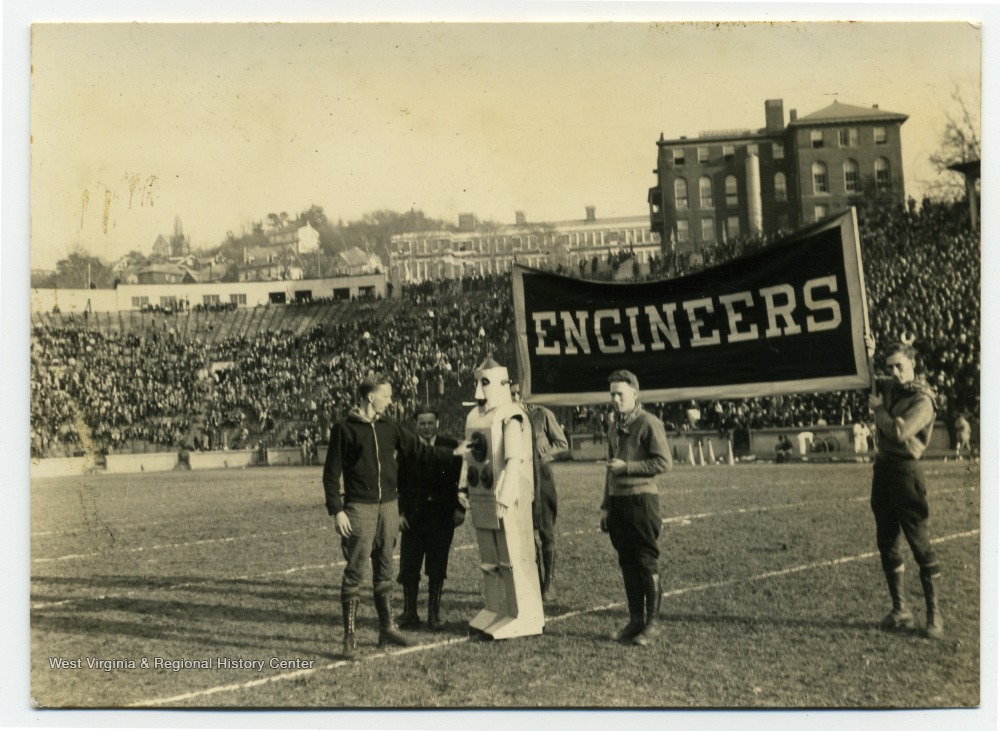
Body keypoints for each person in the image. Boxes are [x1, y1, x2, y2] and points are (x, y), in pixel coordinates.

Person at [323, 373, 459, 658]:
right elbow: (330, 474)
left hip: (389, 507)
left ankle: (387, 628)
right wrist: (337, 510)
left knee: (385, 569)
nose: (390, 399)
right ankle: (350, 640)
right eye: (386, 395)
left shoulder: (390, 427)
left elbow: (420, 450)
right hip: (360, 508)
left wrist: (456, 453)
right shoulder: (344, 429)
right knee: (355, 572)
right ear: (371, 397)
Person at [867, 337, 943, 639]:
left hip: (906, 473)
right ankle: (901, 611)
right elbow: (869, 383)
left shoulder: (923, 399)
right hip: (883, 470)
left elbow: (899, 431)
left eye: (900, 366)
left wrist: (878, 412)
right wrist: (869, 355)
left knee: (919, 543)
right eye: (890, 367)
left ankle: (934, 614)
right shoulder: (892, 387)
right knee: (886, 541)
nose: (895, 372)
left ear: (913, 363)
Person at [599, 369, 672, 646]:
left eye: (621, 394)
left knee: (645, 560)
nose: (616, 399)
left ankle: (653, 625)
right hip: (618, 503)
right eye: (612, 394)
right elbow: (609, 470)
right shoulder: (613, 425)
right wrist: (605, 506)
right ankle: (635, 621)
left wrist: (627, 467)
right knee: (627, 561)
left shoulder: (649, 423)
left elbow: (663, 463)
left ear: (634, 394)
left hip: (642, 501)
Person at [395, 406, 465, 631]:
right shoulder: (408, 448)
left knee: (437, 566)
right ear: (416, 425)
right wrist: (400, 513)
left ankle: (434, 614)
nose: (426, 427)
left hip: (442, 517)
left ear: (438, 423)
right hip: (413, 518)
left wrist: (460, 508)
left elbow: (461, 481)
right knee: (409, 566)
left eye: (430, 422)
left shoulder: (451, 447)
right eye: (422, 423)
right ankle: (410, 612)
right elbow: (400, 484)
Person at [510, 380, 569, 601]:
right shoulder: (507, 418)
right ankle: (532, 579)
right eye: (512, 394)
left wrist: (541, 456)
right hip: (518, 477)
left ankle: (549, 584)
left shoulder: (542, 414)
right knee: (524, 531)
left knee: (546, 529)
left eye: (518, 393)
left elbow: (562, 443)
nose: (516, 397)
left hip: (541, 477)